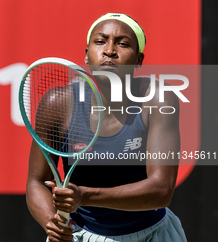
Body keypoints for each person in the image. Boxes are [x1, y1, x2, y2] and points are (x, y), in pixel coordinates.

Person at [26, 13, 187, 242]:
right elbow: (36, 182)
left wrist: (85, 195)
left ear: (139, 60)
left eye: (122, 43)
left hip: (154, 235)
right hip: (80, 234)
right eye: (100, 41)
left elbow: (161, 190)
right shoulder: (57, 104)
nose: (110, 50)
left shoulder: (159, 100)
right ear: (86, 54)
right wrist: (52, 222)